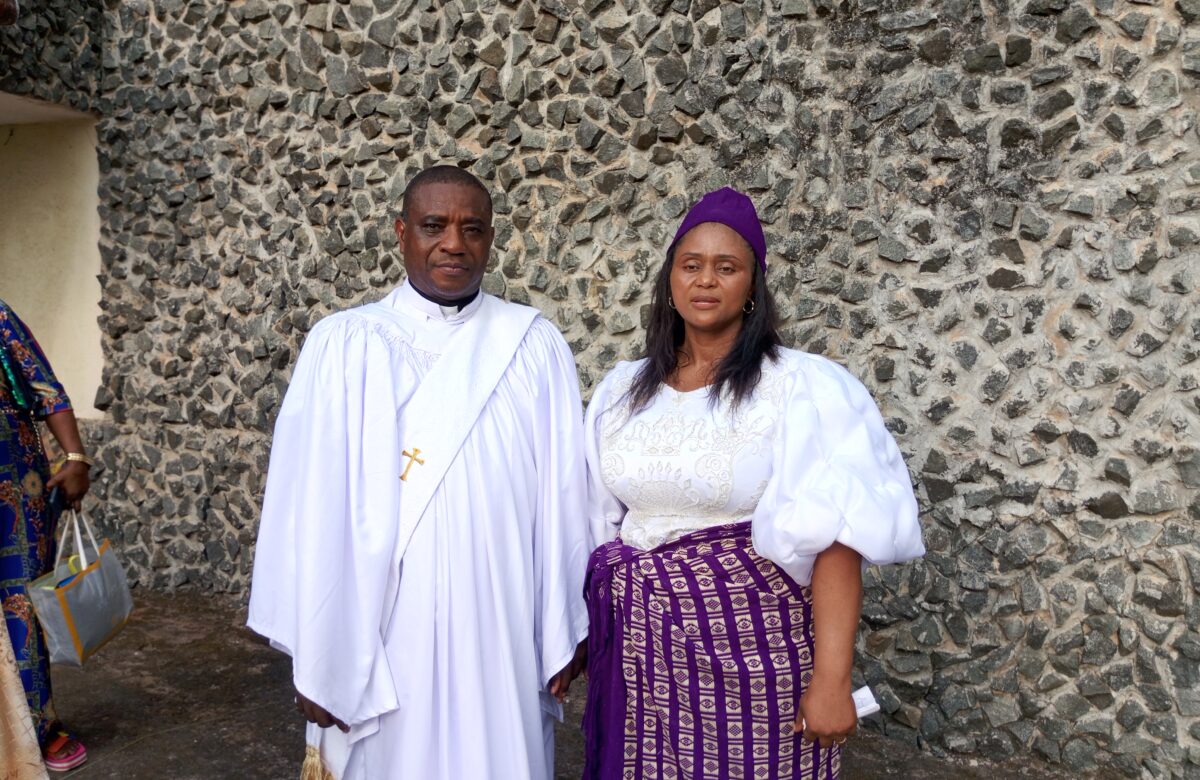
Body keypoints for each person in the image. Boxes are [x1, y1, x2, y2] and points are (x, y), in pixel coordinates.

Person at [248, 165, 590, 780]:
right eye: (434, 226)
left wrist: (563, 625)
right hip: (376, 626)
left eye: (472, 229)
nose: (453, 243)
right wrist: (315, 652)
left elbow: (565, 497)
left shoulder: (534, 347)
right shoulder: (344, 345)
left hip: (501, 620)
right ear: (402, 233)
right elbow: (303, 505)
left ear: (491, 240)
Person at [581, 188, 925, 779]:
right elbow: (594, 519)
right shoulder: (621, 390)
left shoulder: (801, 386)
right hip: (640, 648)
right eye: (691, 266)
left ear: (753, 287)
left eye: (727, 267)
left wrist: (832, 679)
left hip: (754, 648)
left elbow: (837, 541)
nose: (706, 281)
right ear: (670, 281)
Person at [0, 299, 91, 773]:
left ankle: (40, 725)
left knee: (23, 602)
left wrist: (75, 457)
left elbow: (46, 390)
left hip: (12, 488)